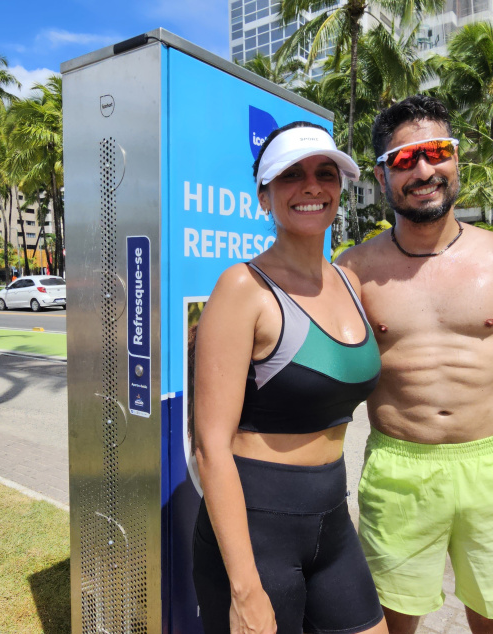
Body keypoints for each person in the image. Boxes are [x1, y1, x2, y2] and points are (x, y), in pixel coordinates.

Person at [337, 95, 493, 634]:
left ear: (457, 160)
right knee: (388, 623)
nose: (424, 169)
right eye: (404, 159)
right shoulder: (354, 269)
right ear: (383, 176)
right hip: (398, 472)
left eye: (436, 152)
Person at [192, 122, 387, 634]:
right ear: (264, 196)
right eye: (290, 175)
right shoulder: (244, 287)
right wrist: (245, 588)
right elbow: (209, 447)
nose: (311, 186)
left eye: (326, 173)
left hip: (332, 519)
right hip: (256, 530)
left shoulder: (349, 281)